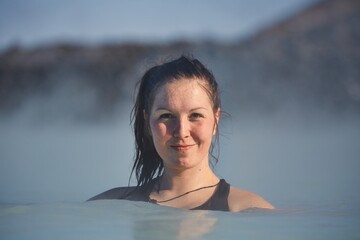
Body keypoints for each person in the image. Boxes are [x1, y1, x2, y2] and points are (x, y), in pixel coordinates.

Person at [89, 56, 273, 212]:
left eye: (195, 115)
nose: (182, 131)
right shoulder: (110, 206)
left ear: (215, 120)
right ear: (147, 122)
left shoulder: (247, 210)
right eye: (167, 116)